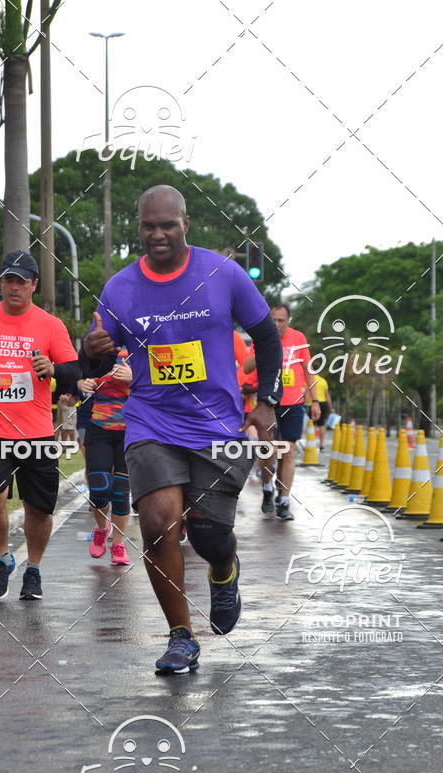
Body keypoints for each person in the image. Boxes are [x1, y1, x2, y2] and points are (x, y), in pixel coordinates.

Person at [84, 185, 282, 673]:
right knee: (157, 521)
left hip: (216, 423)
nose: (158, 235)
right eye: (149, 226)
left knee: (211, 534)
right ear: (139, 227)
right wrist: (93, 347)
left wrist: (268, 401)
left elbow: (266, 334)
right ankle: (180, 636)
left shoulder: (222, 273)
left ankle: (223, 570)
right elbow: (92, 354)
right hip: (152, 418)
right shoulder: (120, 289)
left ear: (185, 224)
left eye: (167, 225)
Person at [0, 251, 79, 602]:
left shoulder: (51, 325)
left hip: (36, 432)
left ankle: (33, 568)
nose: (14, 287)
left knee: (38, 509)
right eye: (9, 280)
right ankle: (3, 556)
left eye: (22, 281)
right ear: (1, 283)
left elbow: (73, 374)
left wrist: (53, 370)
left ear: (34, 285)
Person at [246, 302, 320, 520]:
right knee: (268, 450)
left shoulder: (299, 339)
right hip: (268, 402)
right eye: (273, 320)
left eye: (281, 320)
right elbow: (248, 367)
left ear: (288, 321)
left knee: (288, 451)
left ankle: (284, 500)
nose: (277, 324)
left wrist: (315, 401)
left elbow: (308, 370)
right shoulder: (262, 337)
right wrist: (262, 345)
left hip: (294, 402)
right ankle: (268, 487)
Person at [81, 351, 132, 566]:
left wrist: (134, 376)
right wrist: (80, 385)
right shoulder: (97, 348)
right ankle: (102, 529)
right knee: (99, 488)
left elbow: (162, 385)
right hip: (99, 428)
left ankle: (118, 543)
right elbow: (75, 374)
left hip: (131, 431)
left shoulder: (144, 347)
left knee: (121, 491)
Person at [313, 373, 332, 450]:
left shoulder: (310, 379)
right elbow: (327, 395)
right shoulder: (323, 381)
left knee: (313, 424)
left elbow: (307, 392)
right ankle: (322, 445)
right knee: (321, 425)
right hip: (323, 403)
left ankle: (312, 443)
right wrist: (330, 407)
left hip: (313, 403)